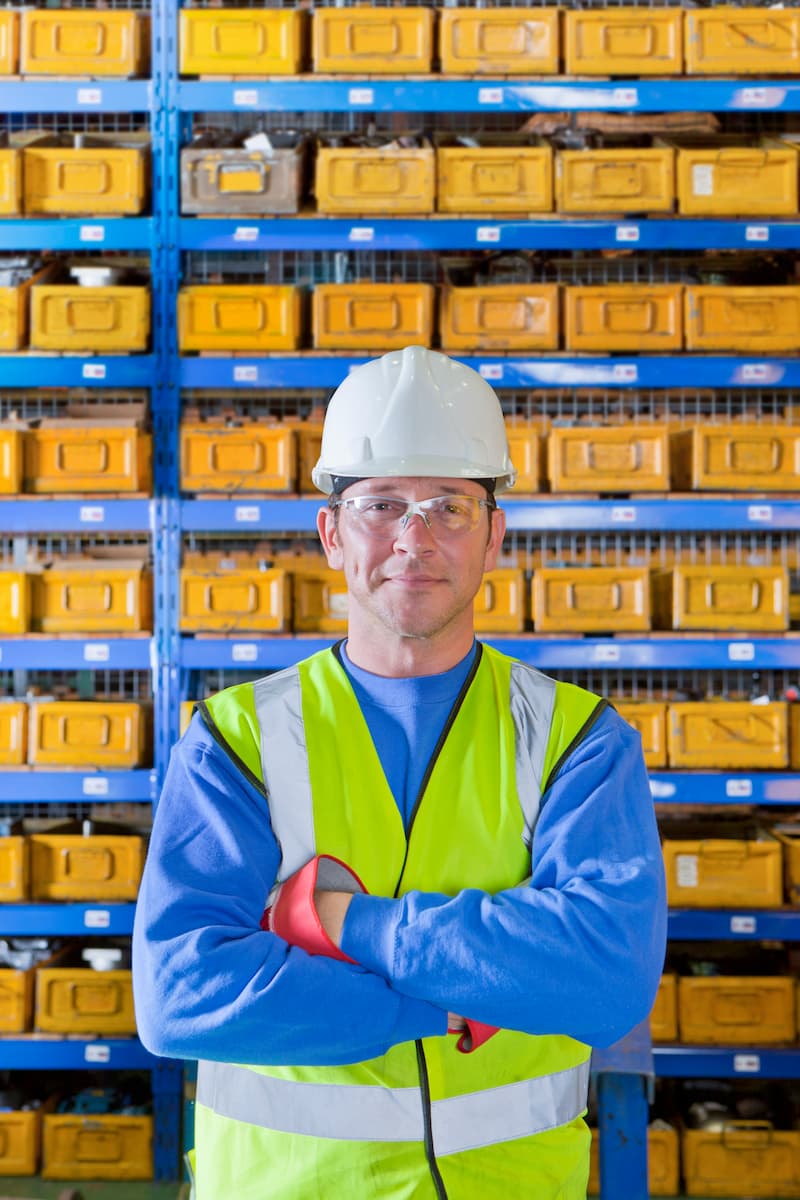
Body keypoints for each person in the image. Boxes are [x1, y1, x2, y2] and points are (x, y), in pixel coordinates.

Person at [133, 344, 667, 1200]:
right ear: (332, 532)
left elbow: (603, 980)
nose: (413, 540)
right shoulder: (237, 739)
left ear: (495, 534)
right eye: (381, 504)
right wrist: (446, 1003)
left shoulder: (578, 741)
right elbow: (179, 995)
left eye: (450, 507)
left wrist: (345, 925)